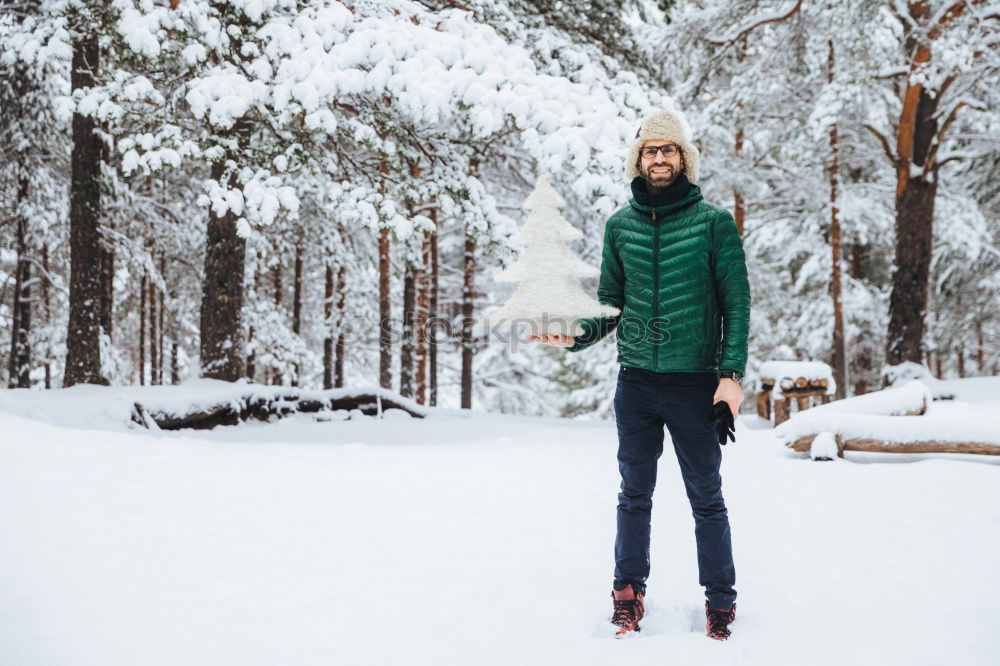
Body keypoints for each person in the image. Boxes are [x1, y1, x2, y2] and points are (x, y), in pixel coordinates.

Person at [529, 109, 751, 640]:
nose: (659, 158)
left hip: (695, 383)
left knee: (706, 495)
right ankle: (627, 593)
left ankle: (720, 601)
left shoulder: (714, 223)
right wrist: (575, 334)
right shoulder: (619, 226)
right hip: (637, 384)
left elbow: (736, 304)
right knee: (634, 493)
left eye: (668, 150)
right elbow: (610, 302)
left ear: (684, 159)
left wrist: (731, 375)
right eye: (650, 150)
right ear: (639, 159)